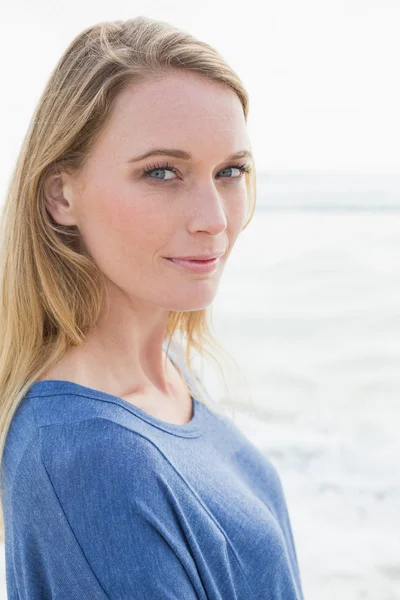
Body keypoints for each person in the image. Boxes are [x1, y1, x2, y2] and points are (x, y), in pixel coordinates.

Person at [0, 16, 305, 599]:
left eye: (230, 172)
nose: (214, 218)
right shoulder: (89, 455)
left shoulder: (167, 375)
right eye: (162, 172)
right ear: (61, 194)